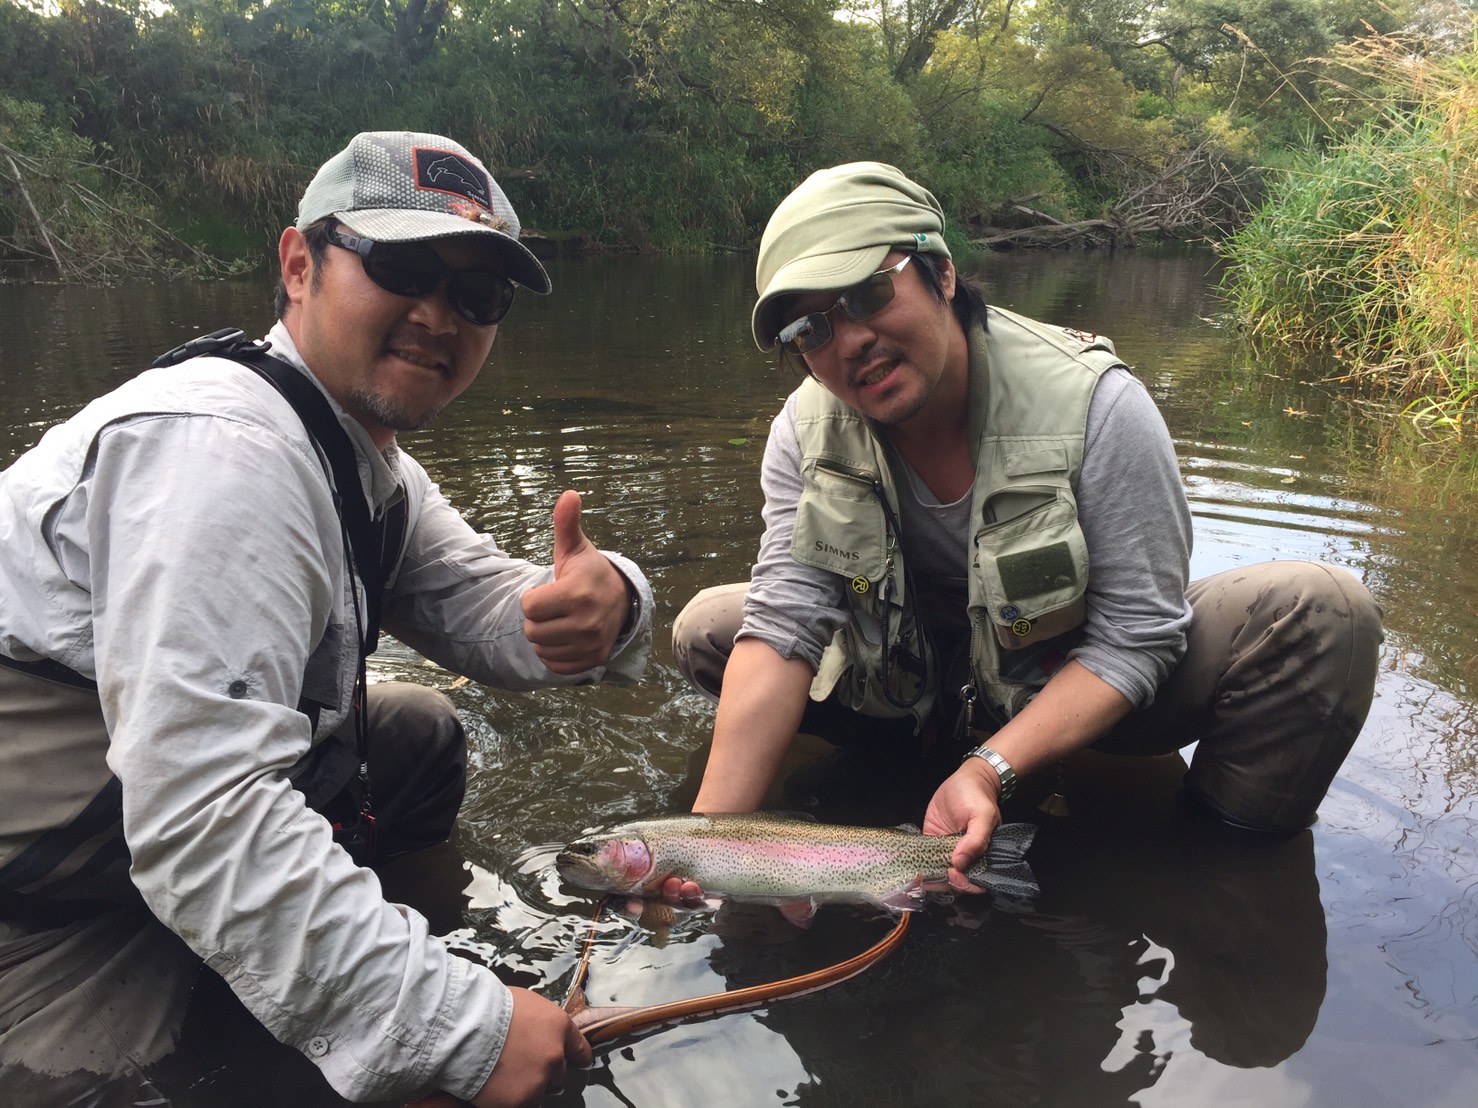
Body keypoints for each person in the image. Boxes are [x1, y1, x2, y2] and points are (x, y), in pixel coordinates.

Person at [0, 131, 652, 1106]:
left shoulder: (366, 463)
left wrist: (612, 602)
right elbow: (203, 821)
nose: (437, 315)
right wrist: (461, 1030)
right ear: (298, 264)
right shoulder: (225, 451)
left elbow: (490, 608)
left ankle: (334, 955)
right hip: (44, 892)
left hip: (142, 818)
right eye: (400, 265)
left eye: (477, 296)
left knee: (416, 733)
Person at [671, 161, 1383, 895]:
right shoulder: (803, 431)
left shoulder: (1099, 406)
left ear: (942, 274)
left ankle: (1213, 883)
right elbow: (786, 622)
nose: (848, 341)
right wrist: (699, 851)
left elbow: (1139, 635)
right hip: (914, 681)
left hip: (1066, 683)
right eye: (811, 328)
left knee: (1322, 610)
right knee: (714, 629)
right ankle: (899, 769)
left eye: (868, 294)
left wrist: (991, 767)